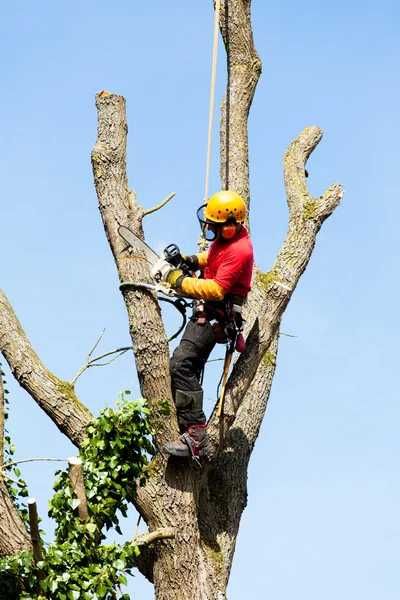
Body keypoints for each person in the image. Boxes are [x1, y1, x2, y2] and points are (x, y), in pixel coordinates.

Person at [154, 190, 254, 460]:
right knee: (185, 366)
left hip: (215, 317)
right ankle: (185, 418)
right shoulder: (226, 240)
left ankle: (197, 437)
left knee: (181, 365)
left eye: (215, 225)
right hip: (205, 313)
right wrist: (188, 260)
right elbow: (211, 259)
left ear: (231, 225)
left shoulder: (241, 250)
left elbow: (216, 289)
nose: (210, 228)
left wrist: (178, 281)